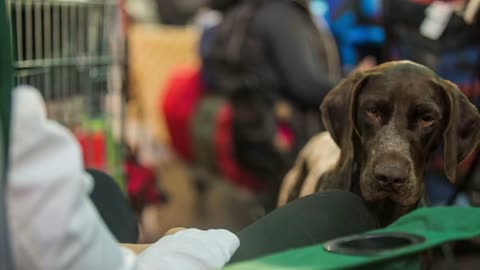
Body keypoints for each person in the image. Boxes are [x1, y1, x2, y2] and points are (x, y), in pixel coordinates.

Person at [5, 85, 378, 269]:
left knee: (102, 187)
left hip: (240, 129)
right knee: (344, 208)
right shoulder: (17, 126)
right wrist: (192, 246)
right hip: (264, 134)